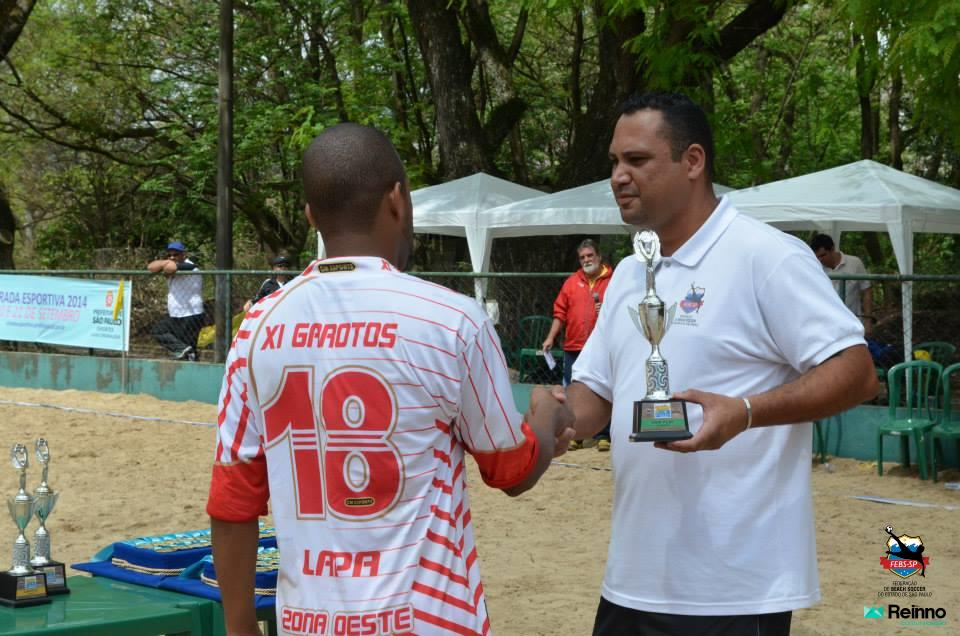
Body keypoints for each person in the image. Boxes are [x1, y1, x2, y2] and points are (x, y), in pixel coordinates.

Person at [206, 123, 574, 636]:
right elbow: (511, 470)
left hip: (308, 624)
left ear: (311, 216)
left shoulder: (258, 327)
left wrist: (241, 627)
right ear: (398, 200)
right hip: (429, 622)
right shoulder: (452, 321)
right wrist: (546, 418)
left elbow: (232, 501)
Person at [565, 92, 878, 635]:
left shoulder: (766, 255)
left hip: (732, 591)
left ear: (692, 161)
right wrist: (551, 420)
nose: (618, 176)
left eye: (636, 160)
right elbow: (595, 394)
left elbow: (857, 373)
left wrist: (746, 411)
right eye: (614, 162)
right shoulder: (631, 273)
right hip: (631, 582)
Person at [542, 238, 612, 451]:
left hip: (601, 347)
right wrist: (550, 337)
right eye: (582, 257)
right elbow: (560, 312)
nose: (586, 260)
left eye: (590, 255)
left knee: (602, 390)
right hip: (574, 345)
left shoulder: (614, 280)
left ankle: (603, 435)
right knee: (572, 391)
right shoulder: (572, 282)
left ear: (599, 256)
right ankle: (576, 434)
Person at [147, 241, 204, 361]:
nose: (172, 257)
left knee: (188, 347)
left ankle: (191, 362)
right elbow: (150, 267)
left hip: (191, 314)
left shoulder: (189, 266)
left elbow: (171, 267)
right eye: (169, 255)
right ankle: (185, 351)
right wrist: (166, 262)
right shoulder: (172, 264)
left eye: (176, 254)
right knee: (158, 331)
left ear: (184, 254)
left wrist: (165, 263)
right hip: (176, 314)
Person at [810, 234, 874, 337]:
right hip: (826, 326)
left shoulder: (855, 263)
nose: (820, 260)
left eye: (823, 255)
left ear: (832, 249)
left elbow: (867, 290)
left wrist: (868, 320)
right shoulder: (815, 267)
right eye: (817, 257)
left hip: (852, 324)